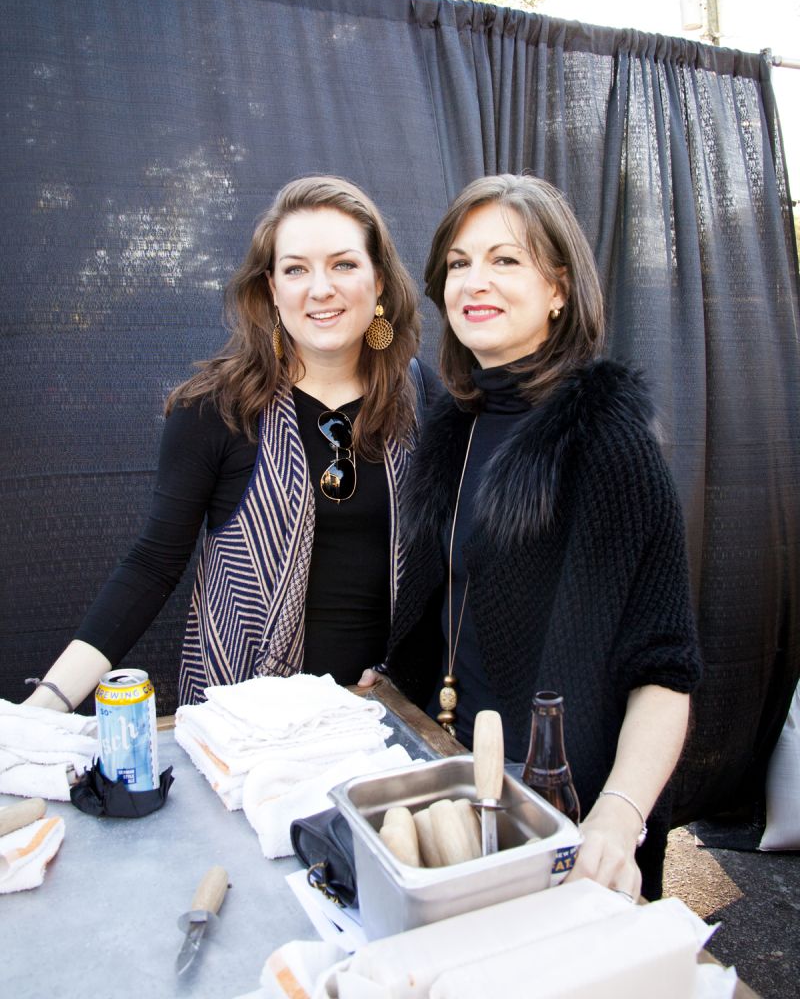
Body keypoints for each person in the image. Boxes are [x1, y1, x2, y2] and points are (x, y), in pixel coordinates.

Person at [360, 174, 702, 901]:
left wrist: (618, 816)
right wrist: (395, 686)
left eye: (505, 260)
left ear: (559, 290)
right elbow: (449, 604)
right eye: (458, 263)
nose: (474, 282)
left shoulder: (608, 438)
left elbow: (665, 677)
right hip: (456, 777)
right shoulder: (455, 425)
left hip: (565, 812)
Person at [24, 175, 432, 714]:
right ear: (271, 288)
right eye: (296, 269)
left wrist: (405, 675)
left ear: (378, 281)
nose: (321, 288)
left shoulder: (421, 399)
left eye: (344, 264)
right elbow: (152, 565)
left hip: (388, 719)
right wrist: (47, 704)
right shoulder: (218, 408)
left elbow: (443, 569)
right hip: (246, 724)